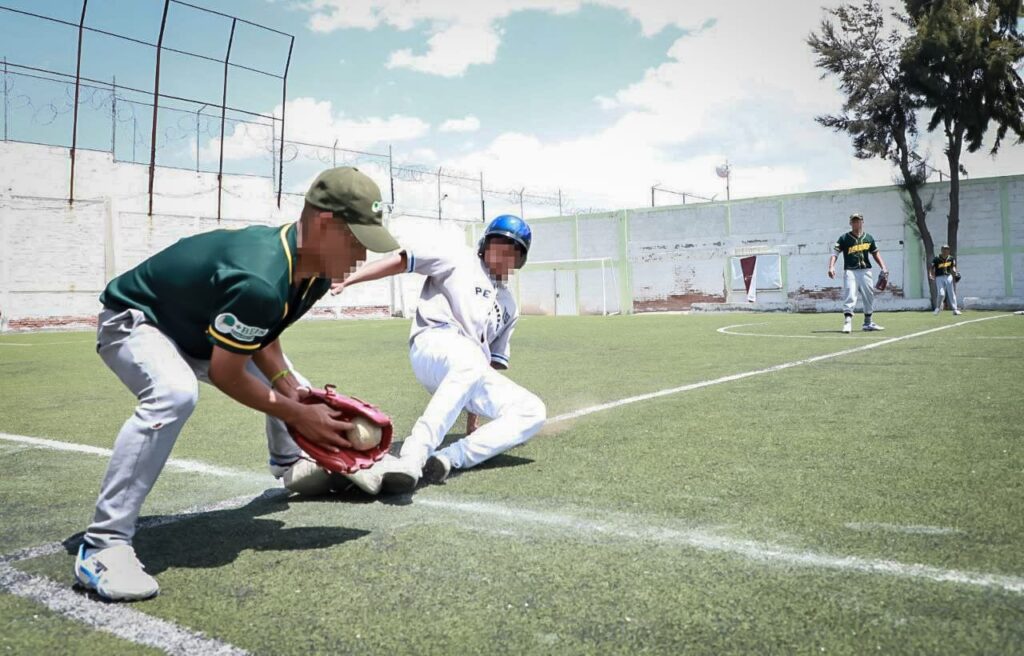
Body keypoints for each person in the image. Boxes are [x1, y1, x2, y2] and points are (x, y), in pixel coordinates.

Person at [75, 167, 400, 601]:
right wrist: (298, 412)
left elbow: (260, 331)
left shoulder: (314, 272)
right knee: (174, 393)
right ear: (324, 224)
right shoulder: (261, 276)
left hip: (195, 329)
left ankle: (292, 468)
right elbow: (228, 372)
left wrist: (287, 386)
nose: (361, 255)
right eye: (357, 241)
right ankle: (102, 546)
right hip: (135, 321)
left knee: (294, 385)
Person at [330, 215, 546, 495]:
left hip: (469, 368)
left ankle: (449, 458)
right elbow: (402, 261)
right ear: (485, 244)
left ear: (520, 261)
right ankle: (412, 456)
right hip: (433, 343)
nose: (504, 255)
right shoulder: (459, 258)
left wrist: (473, 410)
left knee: (532, 411)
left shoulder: (509, 306)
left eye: (513, 252)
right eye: (499, 246)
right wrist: (349, 280)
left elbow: (492, 362)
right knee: (469, 360)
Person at [827, 212, 888, 333]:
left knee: (869, 295)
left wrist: (883, 267)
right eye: (854, 221)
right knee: (850, 294)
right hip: (850, 271)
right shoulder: (844, 238)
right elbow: (835, 254)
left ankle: (868, 323)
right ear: (850, 223)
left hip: (866, 271)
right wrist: (831, 267)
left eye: (858, 220)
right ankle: (847, 323)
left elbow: (875, 253)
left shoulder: (868, 238)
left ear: (862, 222)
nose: (856, 223)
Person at [929, 244, 962, 315]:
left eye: (947, 249)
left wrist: (955, 272)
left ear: (949, 250)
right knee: (941, 294)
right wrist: (931, 274)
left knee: (951, 293)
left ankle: (955, 309)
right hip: (939, 277)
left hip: (948, 276)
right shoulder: (936, 258)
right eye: (944, 249)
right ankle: (937, 308)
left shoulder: (951, 258)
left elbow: (953, 267)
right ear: (941, 250)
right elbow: (932, 268)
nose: (945, 250)